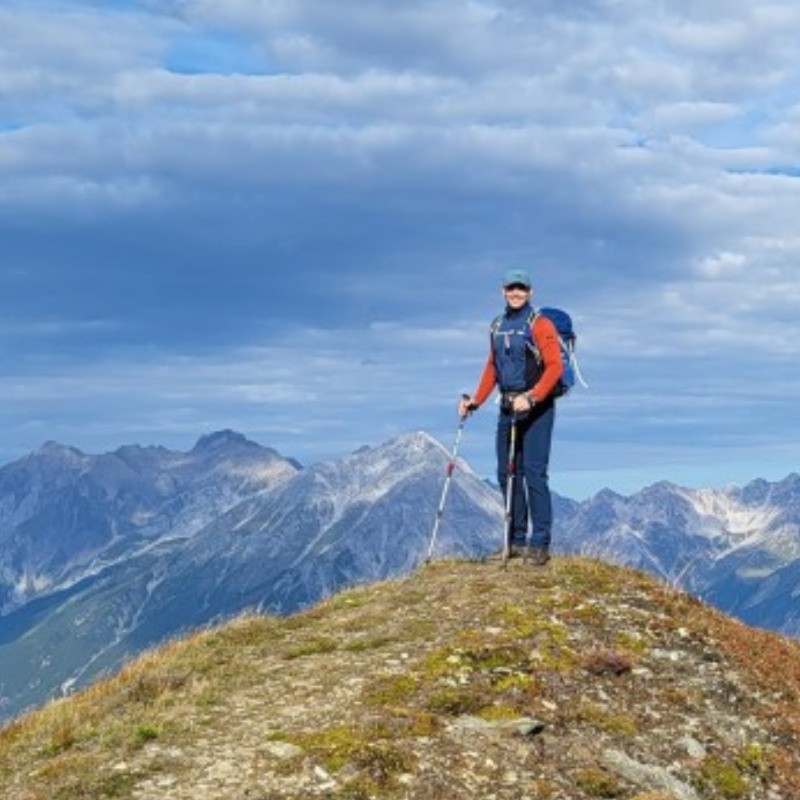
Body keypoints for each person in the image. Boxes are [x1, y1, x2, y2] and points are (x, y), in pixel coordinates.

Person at [459, 268, 563, 566]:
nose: (516, 293)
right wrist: (475, 401)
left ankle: (539, 544)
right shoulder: (497, 325)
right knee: (507, 474)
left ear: (530, 292)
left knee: (534, 473)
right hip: (507, 407)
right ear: (503, 291)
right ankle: (515, 541)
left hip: (537, 408)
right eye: (511, 288)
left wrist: (531, 397)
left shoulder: (540, 324)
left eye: (521, 288)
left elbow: (554, 367)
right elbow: (492, 367)